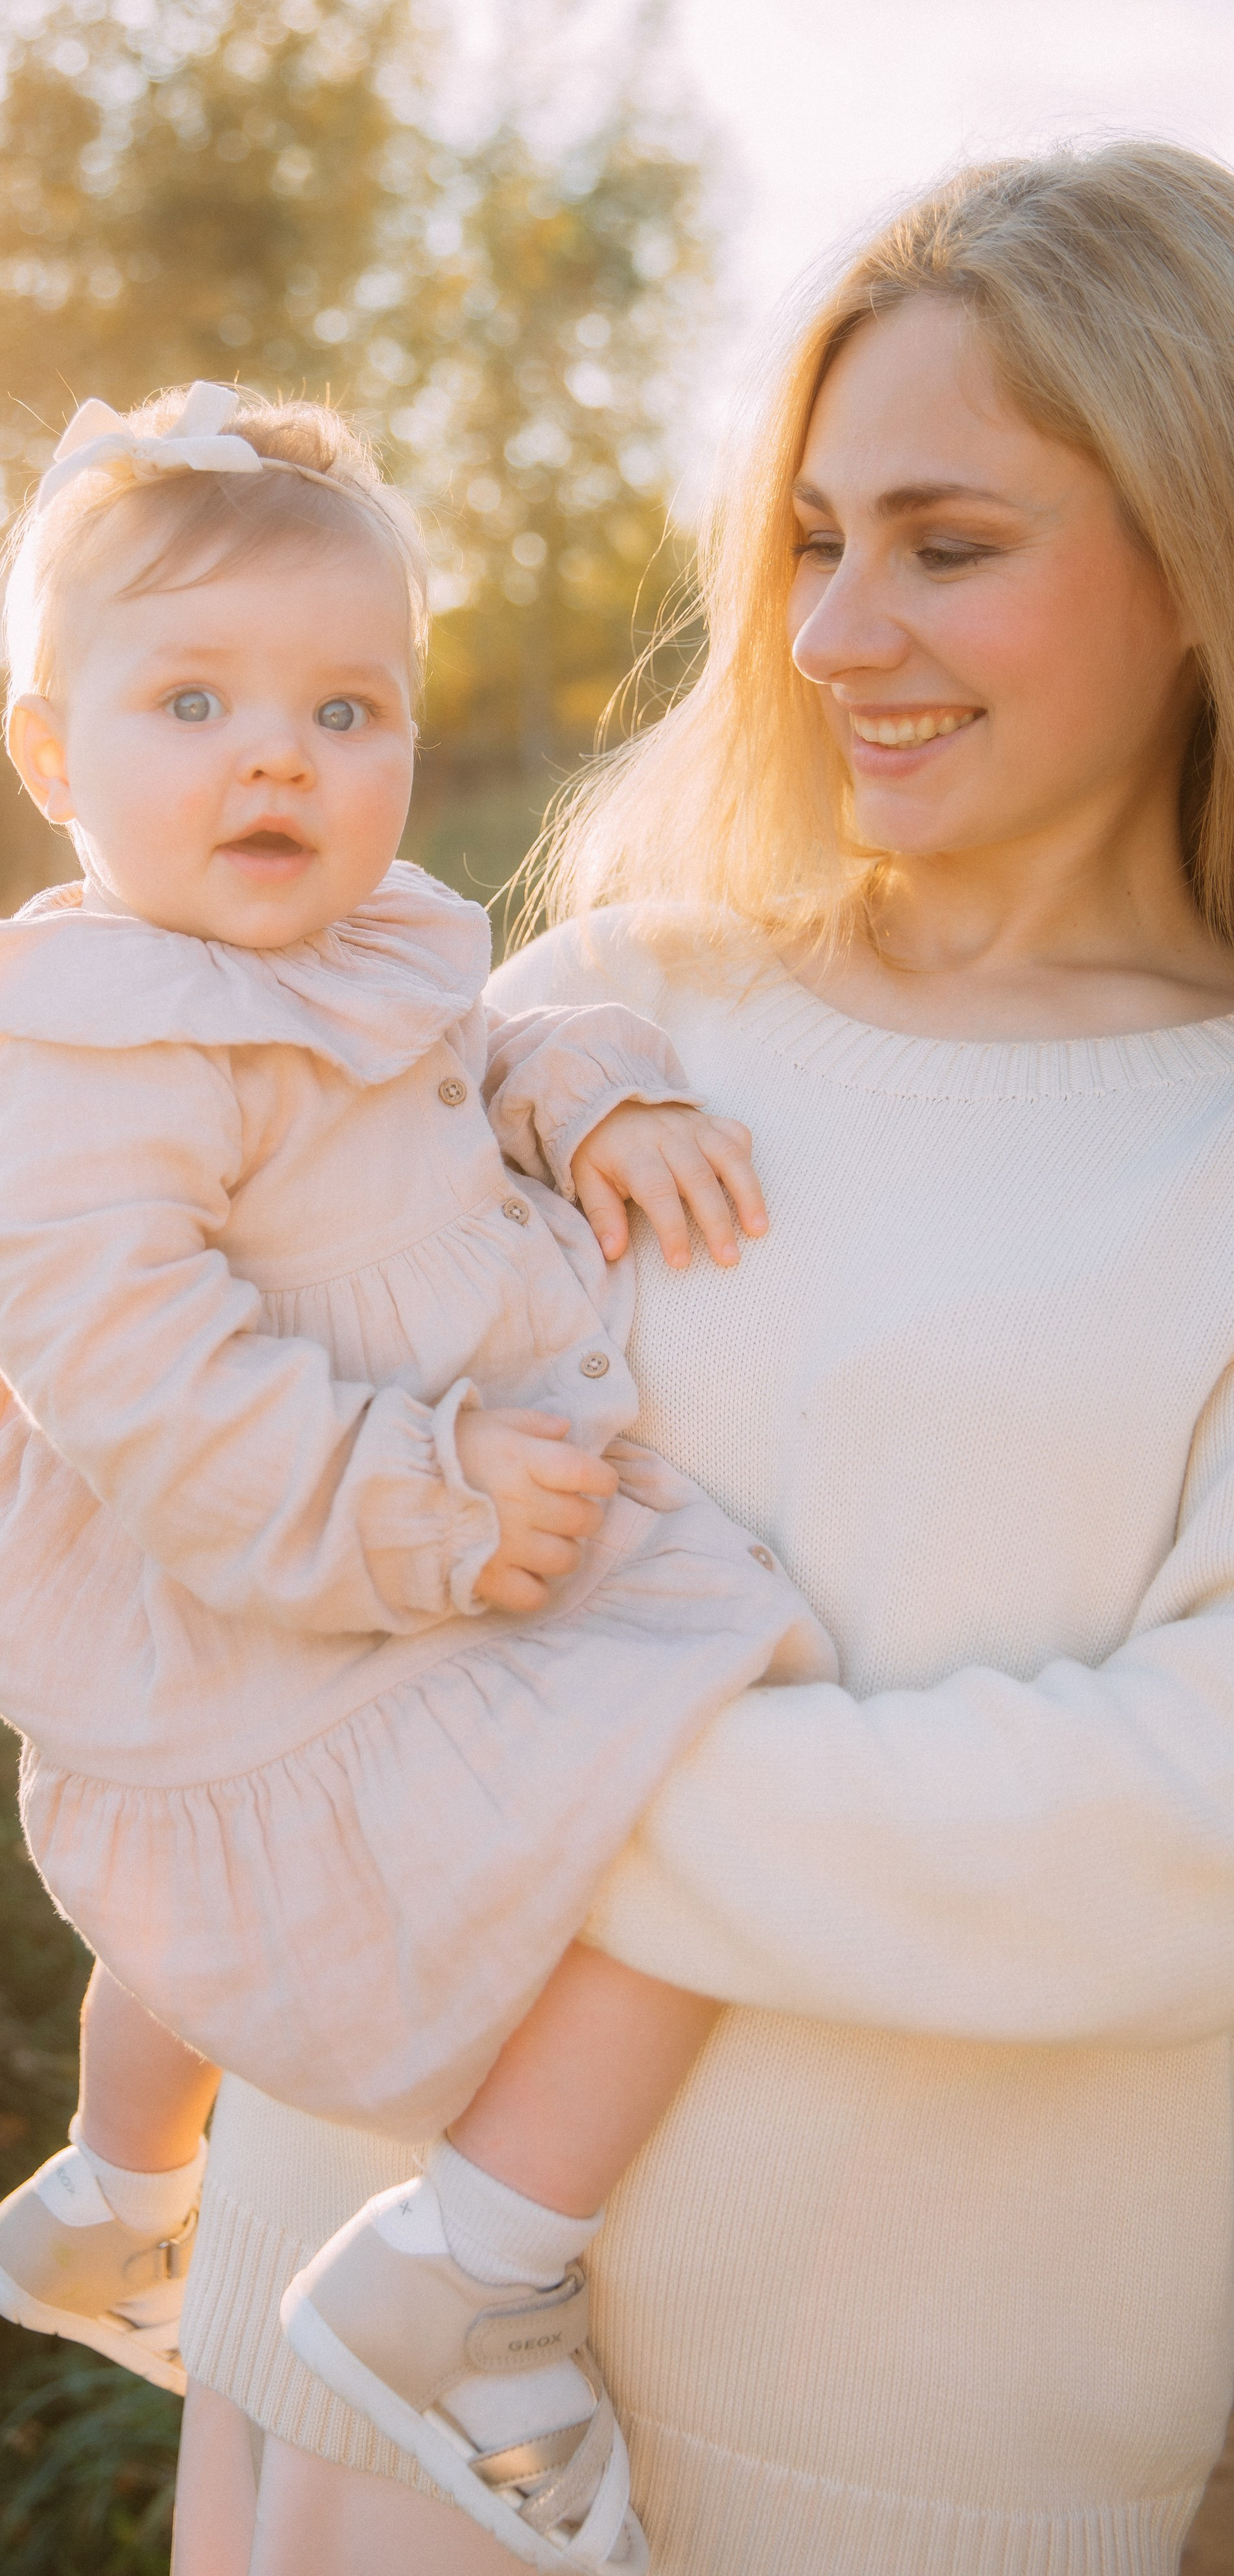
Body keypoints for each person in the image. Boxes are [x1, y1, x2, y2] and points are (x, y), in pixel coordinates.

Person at [170, 140, 1234, 2576]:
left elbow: (1188, 1823)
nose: (840, 631)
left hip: (913, 2460)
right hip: (348, 2345)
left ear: (1201, 559)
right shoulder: (609, 1012)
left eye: (950, 545)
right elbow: (217, 1513)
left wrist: (500, 1778)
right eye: (814, 540)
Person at [0, 383, 832, 2568]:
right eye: (193, 702)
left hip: (311, 1544)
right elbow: (149, 1385)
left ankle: (119, 2189)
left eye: (347, 708)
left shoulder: (357, 950)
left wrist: (591, 1095)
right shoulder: (82, 1062)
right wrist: (426, 1508)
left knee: (223, 1868)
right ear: (50, 756)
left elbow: (466, 1058)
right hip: (284, 1539)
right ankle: (478, 2262)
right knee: (716, 1717)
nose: (278, 761)